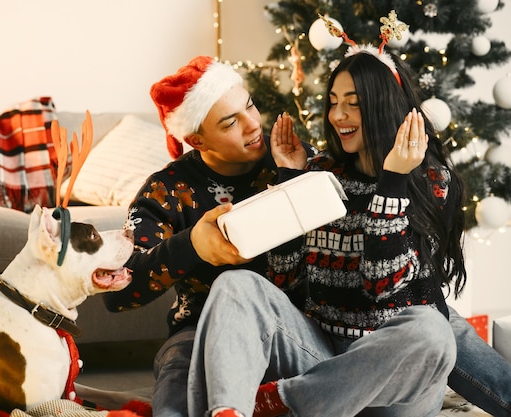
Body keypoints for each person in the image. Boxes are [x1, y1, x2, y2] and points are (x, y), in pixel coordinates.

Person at [102, 56, 511, 417]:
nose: (252, 126)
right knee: (202, 334)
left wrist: (302, 178)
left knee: (435, 324)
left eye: (250, 107)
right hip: (251, 331)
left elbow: (393, 292)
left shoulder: (309, 165)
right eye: (230, 122)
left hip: (343, 335)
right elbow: (118, 292)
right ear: (196, 139)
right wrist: (191, 245)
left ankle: (287, 399)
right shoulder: (169, 190)